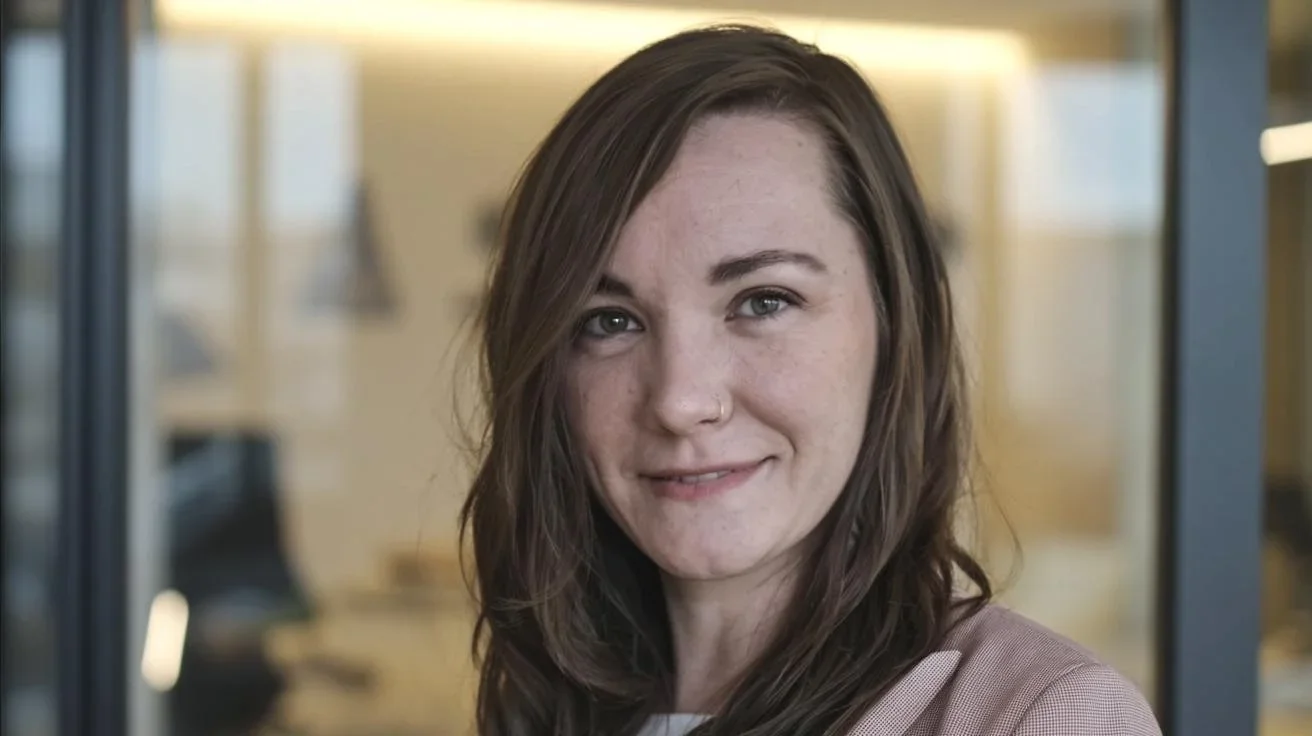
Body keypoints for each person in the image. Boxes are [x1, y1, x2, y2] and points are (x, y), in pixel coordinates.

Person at [460, 24, 1160, 736]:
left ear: (893, 325)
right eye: (610, 321)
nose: (680, 400)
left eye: (764, 301)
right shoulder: (545, 707)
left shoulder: (1047, 718)